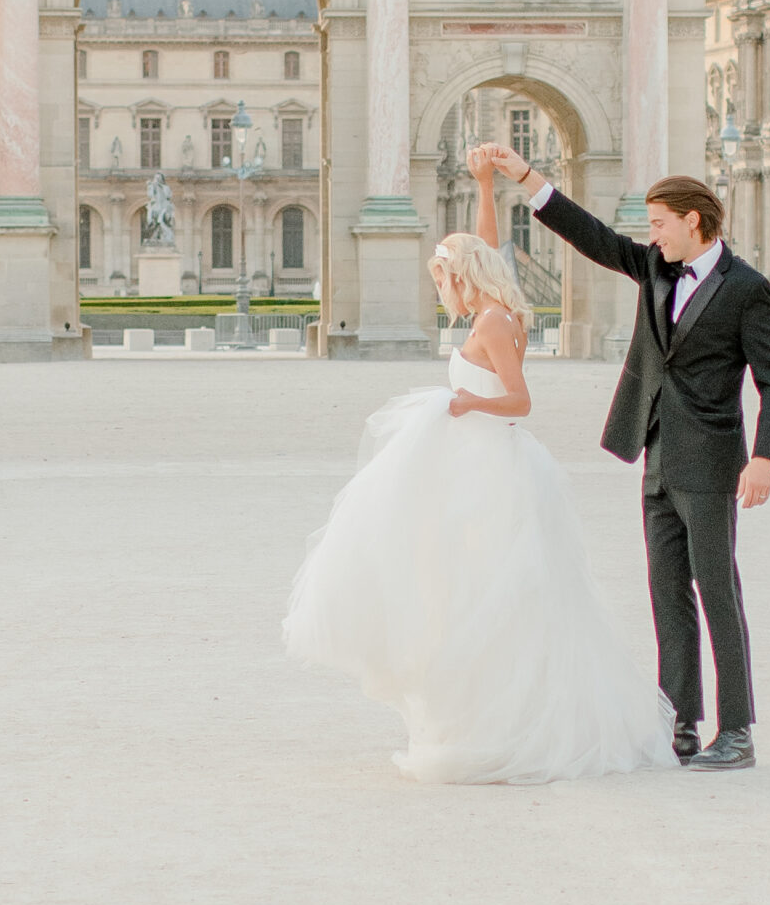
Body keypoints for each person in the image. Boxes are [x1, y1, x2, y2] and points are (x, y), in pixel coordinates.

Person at [283, 154, 672, 785]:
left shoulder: (493, 321)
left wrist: (466, 402)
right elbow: (488, 242)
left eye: (442, 277)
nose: (440, 290)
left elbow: (520, 403)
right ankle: (489, 713)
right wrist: (486, 184)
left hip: (492, 466)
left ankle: (501, 720)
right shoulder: (496, 304)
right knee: (479, 595)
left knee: (487, 597)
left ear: (461, 275)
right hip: (483, 464)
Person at [475, 144, 770, 771]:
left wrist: (765, 458)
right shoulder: (655, 268)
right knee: (666, 592)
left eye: (658, 224)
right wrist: (523, 176)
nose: (651, 235)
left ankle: (736, 732)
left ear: (693, 222)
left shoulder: (748, 290)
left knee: (717, 591)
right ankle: (677, 721)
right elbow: (590, 236)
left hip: (711, 461)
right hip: (655, 457)